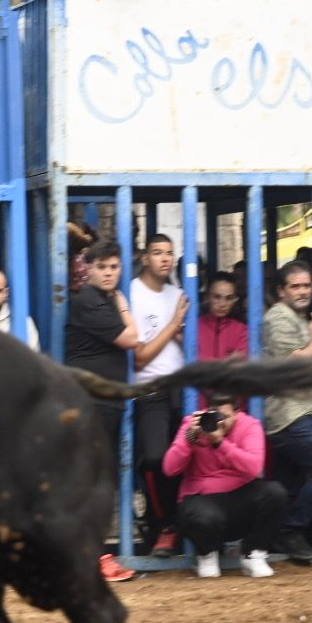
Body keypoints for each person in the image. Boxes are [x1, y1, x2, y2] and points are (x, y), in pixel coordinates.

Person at [64, 242, 139, 583]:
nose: (109, 273)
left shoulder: (100, 301)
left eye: (114, 267)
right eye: (103, 267)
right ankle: (92, 559)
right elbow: (132, 338)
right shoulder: (89, 301)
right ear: (89, 269)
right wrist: (124, 304)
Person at [260, 260, 312, 562]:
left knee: (286, 486)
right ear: (281, 291)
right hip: (290, 417)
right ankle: (289, 530)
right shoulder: (278, 317)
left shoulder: (298, 316)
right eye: (295, 286)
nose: (303, 291)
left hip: (298, 414)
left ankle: (267, 538)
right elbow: (294, 362)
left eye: (307, 285)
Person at [162, 392, 285, 579]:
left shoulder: (250, 425)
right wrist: (189, 438)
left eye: (226, 417)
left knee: (275, 493)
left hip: (240, 501)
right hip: (202, 501)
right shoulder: (193, 424)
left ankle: (254, 554)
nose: (220, 422)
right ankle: (207, 555)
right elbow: (169, 469)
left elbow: (254, 468)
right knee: (204, 516)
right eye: (216, 416)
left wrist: (220, 443)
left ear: (237, 412)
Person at [130, 235, 187, 556]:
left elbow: (185, 343)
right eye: (158, 253)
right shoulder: (133, 294)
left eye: (170, 253)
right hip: (150, 388)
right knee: (154, 459)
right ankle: (162, 525)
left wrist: (178, 331)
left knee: (184, 460)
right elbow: (139, 357)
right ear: (145, 257)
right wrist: (173, 326)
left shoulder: (178, 294)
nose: (165, 259)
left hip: (181, 389)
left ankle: (177, 527)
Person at [198, 273, 247, 364]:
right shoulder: (195, 327)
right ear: (207, 297)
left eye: (229, 298)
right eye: (217, 297)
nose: (223, 304)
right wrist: (227, 361)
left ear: (235, 300)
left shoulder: (242, 330)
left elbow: (240, 365)